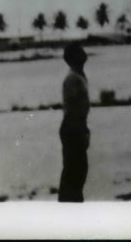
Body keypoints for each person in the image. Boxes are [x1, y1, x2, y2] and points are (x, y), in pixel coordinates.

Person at [58, 42, 90, 202]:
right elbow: (73, 109)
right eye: (81, 52)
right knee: (74, 170)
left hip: (76, 126)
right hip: (73, 126)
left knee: (78, 170)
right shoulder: (73, 79)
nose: (85, 54)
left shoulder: (78, 75)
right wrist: (81, 130)